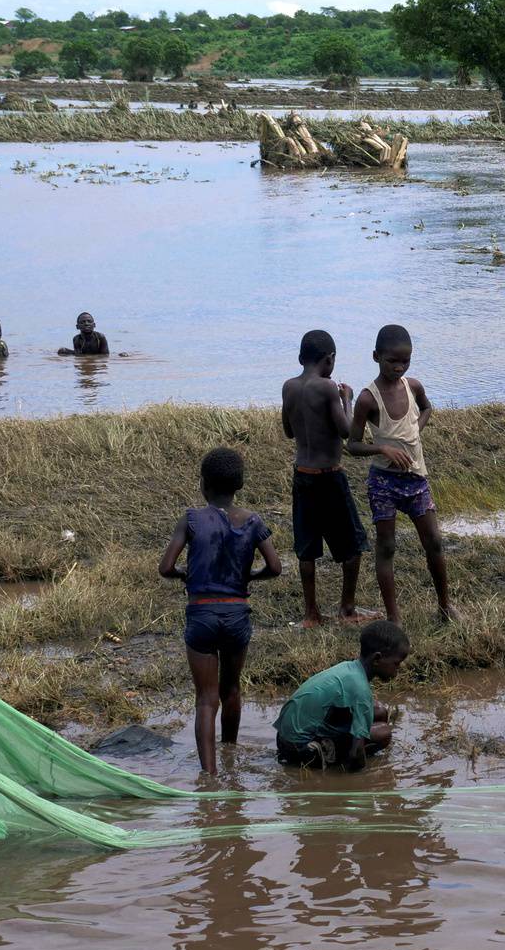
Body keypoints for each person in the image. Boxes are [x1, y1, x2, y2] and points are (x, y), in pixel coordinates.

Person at [158, 447, 283, 775]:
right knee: (231, 689)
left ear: (203, 484)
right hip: (236, 615)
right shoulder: (253, 521)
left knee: (205, 698)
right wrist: (251, 576)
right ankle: (230, 756)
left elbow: (166, 567)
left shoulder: (191, 519)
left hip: (201, 615)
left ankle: (210, 776)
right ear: (239, 485)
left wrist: (186, 575)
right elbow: (275, 567)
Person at [347, 324, 456, 624]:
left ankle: (445, 606)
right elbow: (352, 445)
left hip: (416, 479)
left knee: (433, 541)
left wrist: (414, 432)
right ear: (375, 357)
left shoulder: (414, 386)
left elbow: (427, 409)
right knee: (387, 546)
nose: (398, 367)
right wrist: (383, 450)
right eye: (391, 361)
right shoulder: (368, 399)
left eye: (404, 361)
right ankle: (394, 617)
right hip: (383, 483)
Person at [281, 329, 369, 627]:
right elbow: (346, 431)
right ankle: (346, 608)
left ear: (300, 358)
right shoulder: (329, 388)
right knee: (353, 544)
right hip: (329, 476)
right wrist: (348, 399)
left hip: (302, 474)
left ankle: (311, 614)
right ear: (329, 359)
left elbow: (288, 431)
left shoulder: (289, 387)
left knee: (306, 547)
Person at [273, 620, 406, 769]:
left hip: (284, 737)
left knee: (379, 711)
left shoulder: (348, 668)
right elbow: (356, 754)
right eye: (396, 664)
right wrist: (362, 781)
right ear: (377, 659)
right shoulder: (361, 690)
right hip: (299, 749)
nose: (398, 669)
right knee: (384, 733)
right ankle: (323, 753)